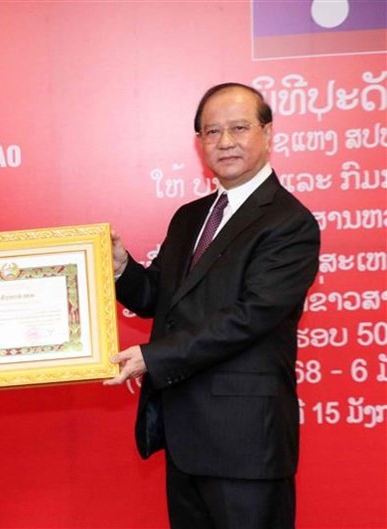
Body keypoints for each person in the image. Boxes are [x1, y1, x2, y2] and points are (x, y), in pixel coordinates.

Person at [105, 82, 321, 529]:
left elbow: (250, 317)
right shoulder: (190, 216)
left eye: (239, 128)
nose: (225, 142)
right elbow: (156, 299)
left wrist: (151, 356)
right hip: (185, 435)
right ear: (199, 142)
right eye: (211, 131)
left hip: (246, 443)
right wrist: (122, 268)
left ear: (268, 132)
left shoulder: (289, 222)